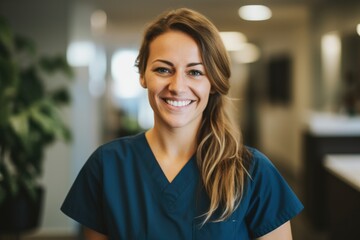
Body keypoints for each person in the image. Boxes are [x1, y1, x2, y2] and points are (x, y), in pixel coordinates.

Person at [61, 8, 303, 240]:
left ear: (214, 82)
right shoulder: (106, 166)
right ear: (143, 75)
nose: (177, 86)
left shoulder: (253, 172)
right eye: (163, 69)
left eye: (195, 72)